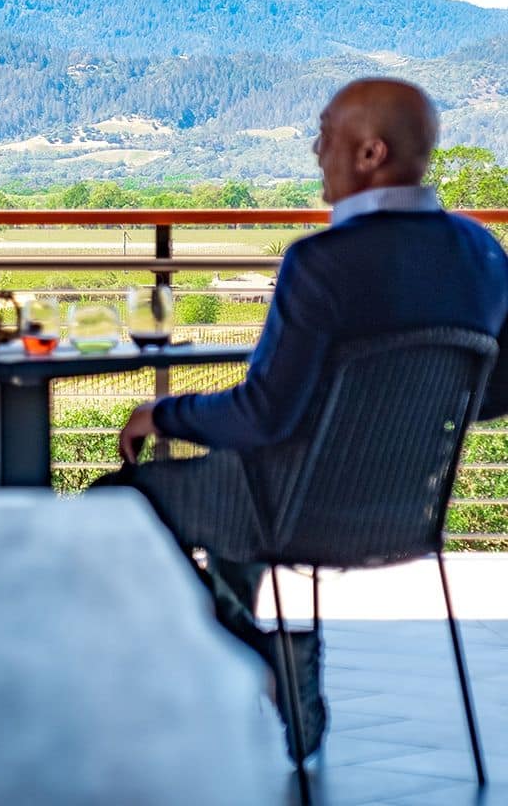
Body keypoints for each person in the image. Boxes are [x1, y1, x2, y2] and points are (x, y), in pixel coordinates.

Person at [93, 78, 508, 759]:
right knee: (231, 483)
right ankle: (243, 662)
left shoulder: (322, 262)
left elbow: (262, 415)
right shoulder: (483, 254)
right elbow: (490, 393)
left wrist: (160, 414)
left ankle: (258, 654)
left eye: (326, 134)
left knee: (116, 502)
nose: (317, 150)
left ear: (370, 152)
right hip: (408, 511)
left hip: (289, 510)